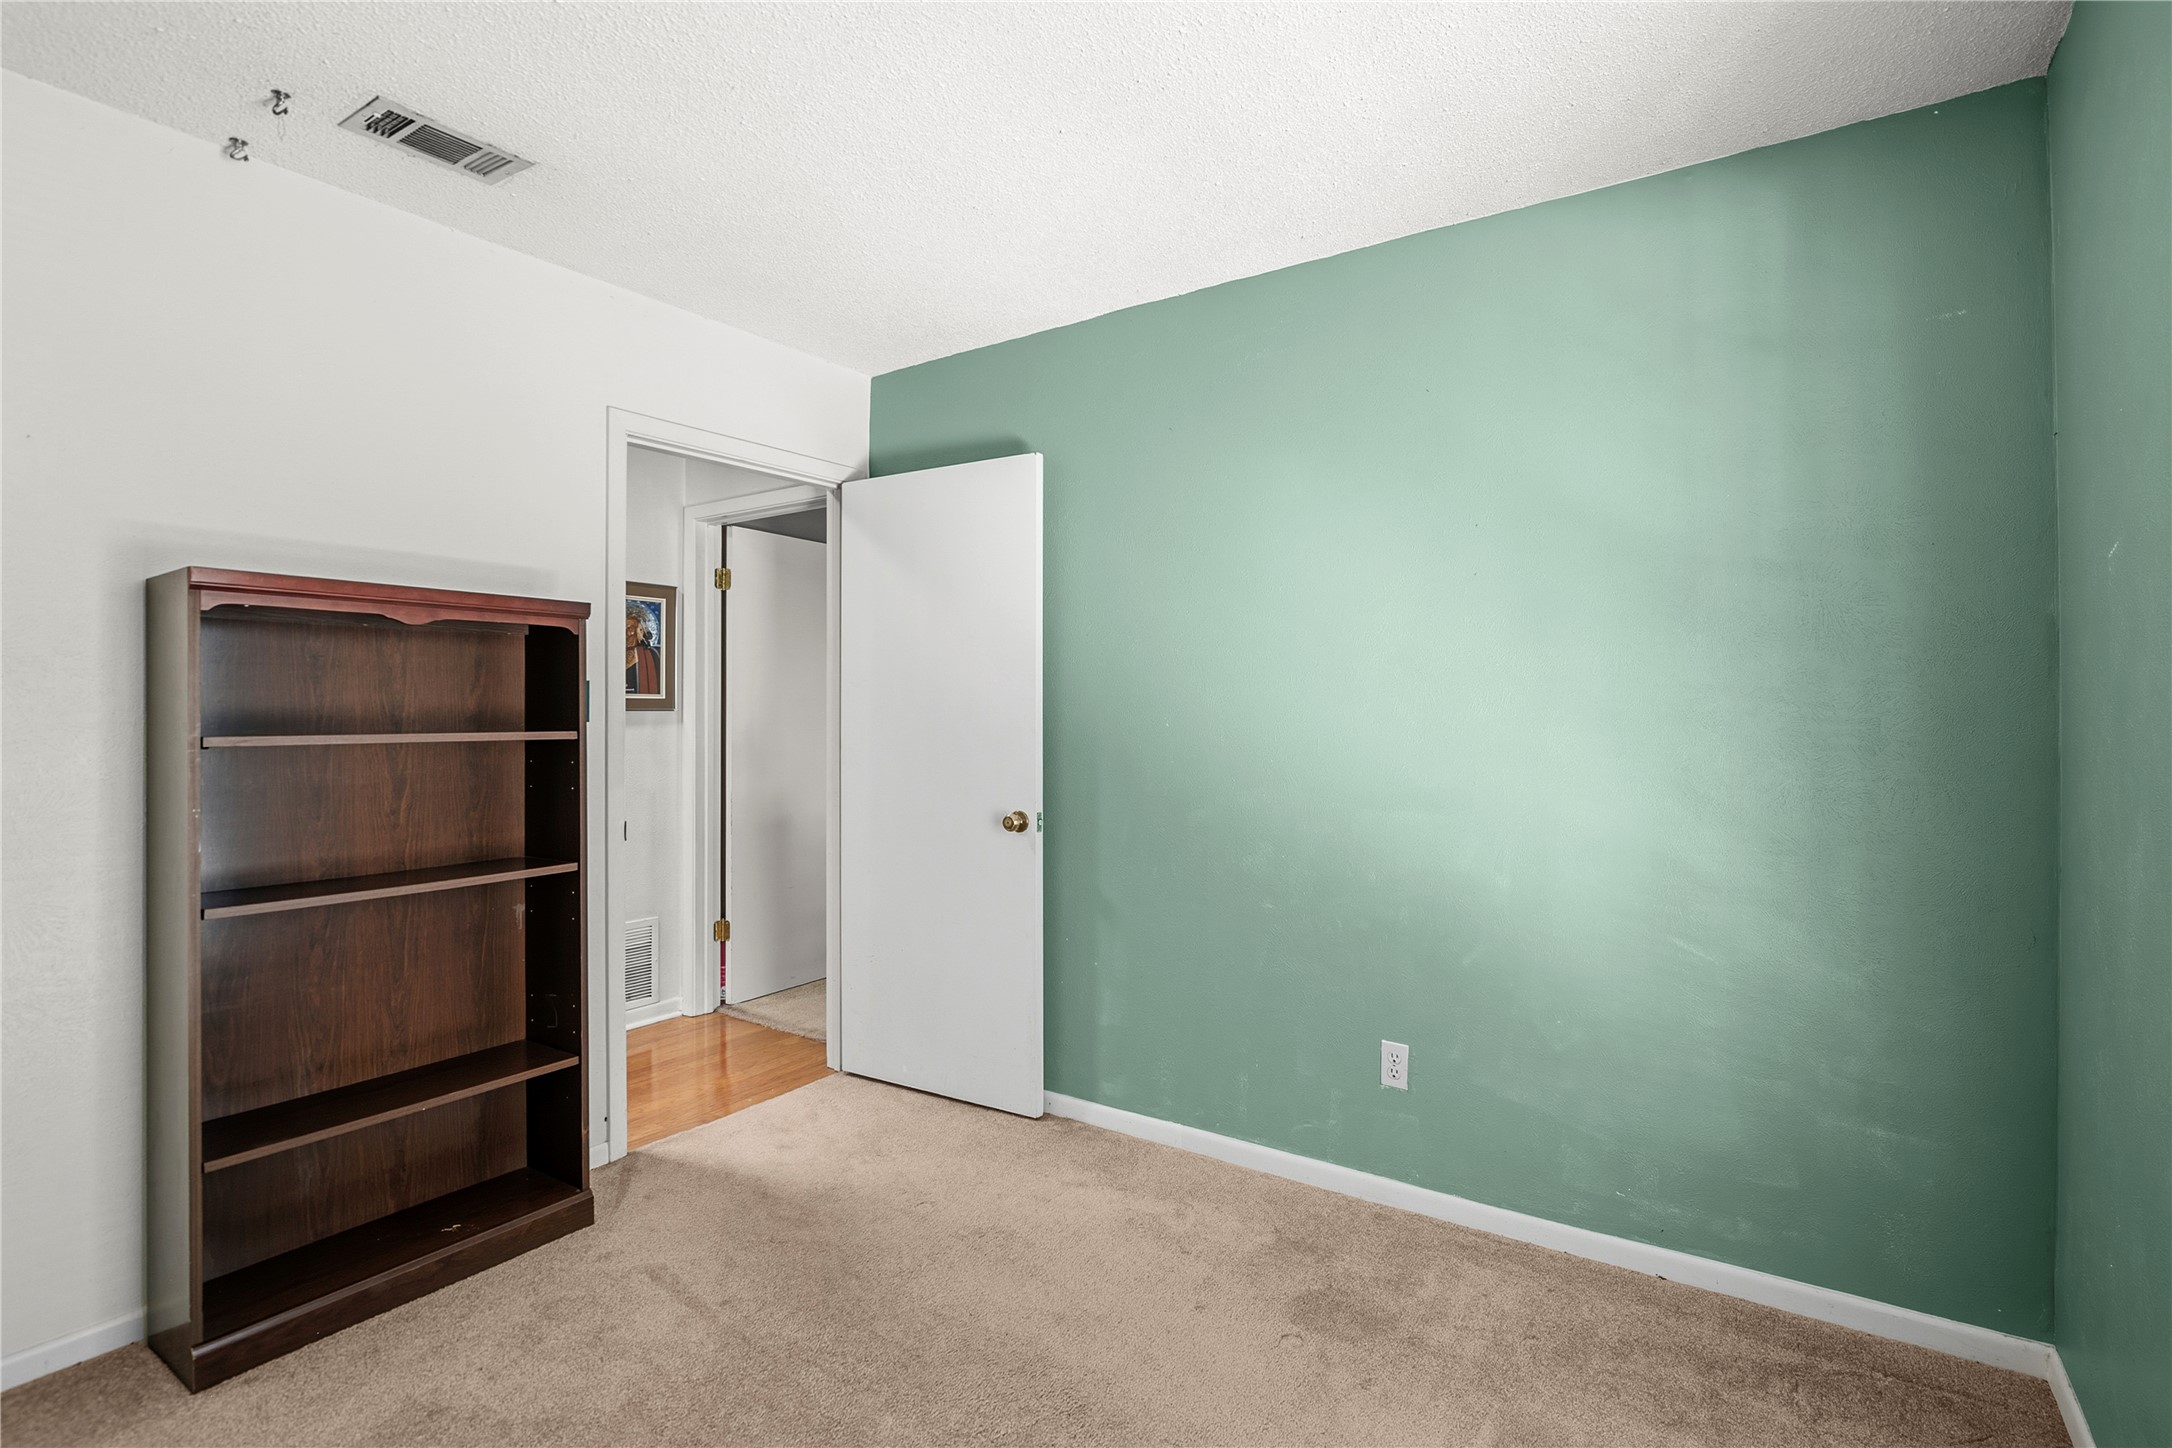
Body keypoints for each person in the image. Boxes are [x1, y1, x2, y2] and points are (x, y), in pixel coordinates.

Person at [626, 602, 662, 696]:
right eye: (624, 628)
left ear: (642, 631)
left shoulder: (655, 656)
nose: (629, 634)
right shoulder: (610, 657)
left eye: (631, 629)